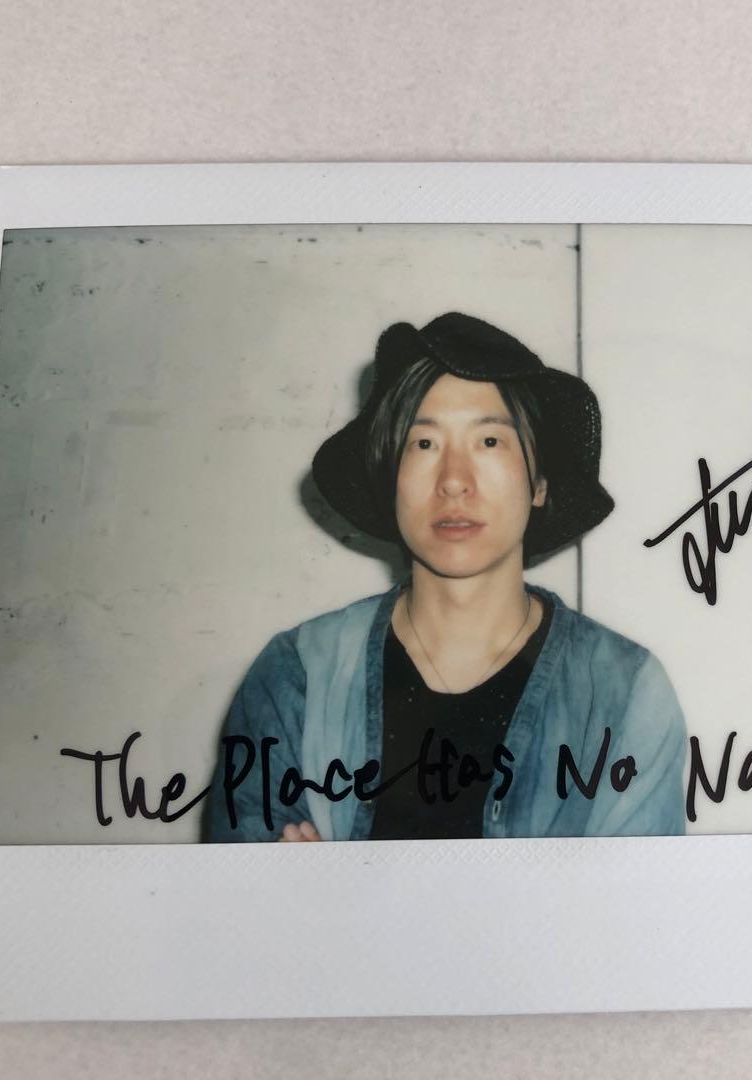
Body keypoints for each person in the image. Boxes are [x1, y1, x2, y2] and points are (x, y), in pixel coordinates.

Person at [206, 312, 686, 842]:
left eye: (490, 441)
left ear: (540, 482)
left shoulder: (624, 692)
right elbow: (242, 888)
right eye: (423, 444)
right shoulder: (297, 675)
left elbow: (633, 896)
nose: (454, 481)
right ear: (389, 477)